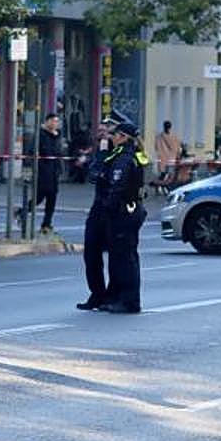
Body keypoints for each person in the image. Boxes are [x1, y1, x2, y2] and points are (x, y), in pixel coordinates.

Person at [96, 118, 148, 314]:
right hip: (131, 210)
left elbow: (117, 187)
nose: (112, 137)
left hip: (124, 212)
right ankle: (119, 297)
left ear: (123, 137)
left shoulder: (124, 158)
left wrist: (108, 207)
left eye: (115, 134)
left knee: (125, 258)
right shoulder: (133, 155)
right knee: (123, 256)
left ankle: (129, 301)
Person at [77, 117, 118, 312]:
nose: (102, 132)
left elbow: (104, 174)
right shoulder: (102, 151)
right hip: (99, 206)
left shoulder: (122, 154)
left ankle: (113, 295)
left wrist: (102, 153)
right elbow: (94, 174)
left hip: (114, 209)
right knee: (91, 252)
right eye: (100, 129)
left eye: (107, 130)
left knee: (117, 256)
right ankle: (97, 293)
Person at [33, 112, 63, 234]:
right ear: (47, 121)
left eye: (57, 122)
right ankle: (22, 211)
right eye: (53, 121)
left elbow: (59, 152)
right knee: (39, 198)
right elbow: (33, 151)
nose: (55, 124)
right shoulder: (40, 134)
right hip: (43, 172)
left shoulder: (58, 135)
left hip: (54, 172)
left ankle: (46, 224)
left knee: (52, 199)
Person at [151, 120, 181, 192]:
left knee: (165, 174)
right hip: (169, 158)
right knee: (167, 174)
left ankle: (160, 186)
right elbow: (177, 147)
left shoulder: (159, 136)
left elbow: (156, 147)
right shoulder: (174, 136)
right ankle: (162, 186)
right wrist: (177, 155)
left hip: (164, 158)